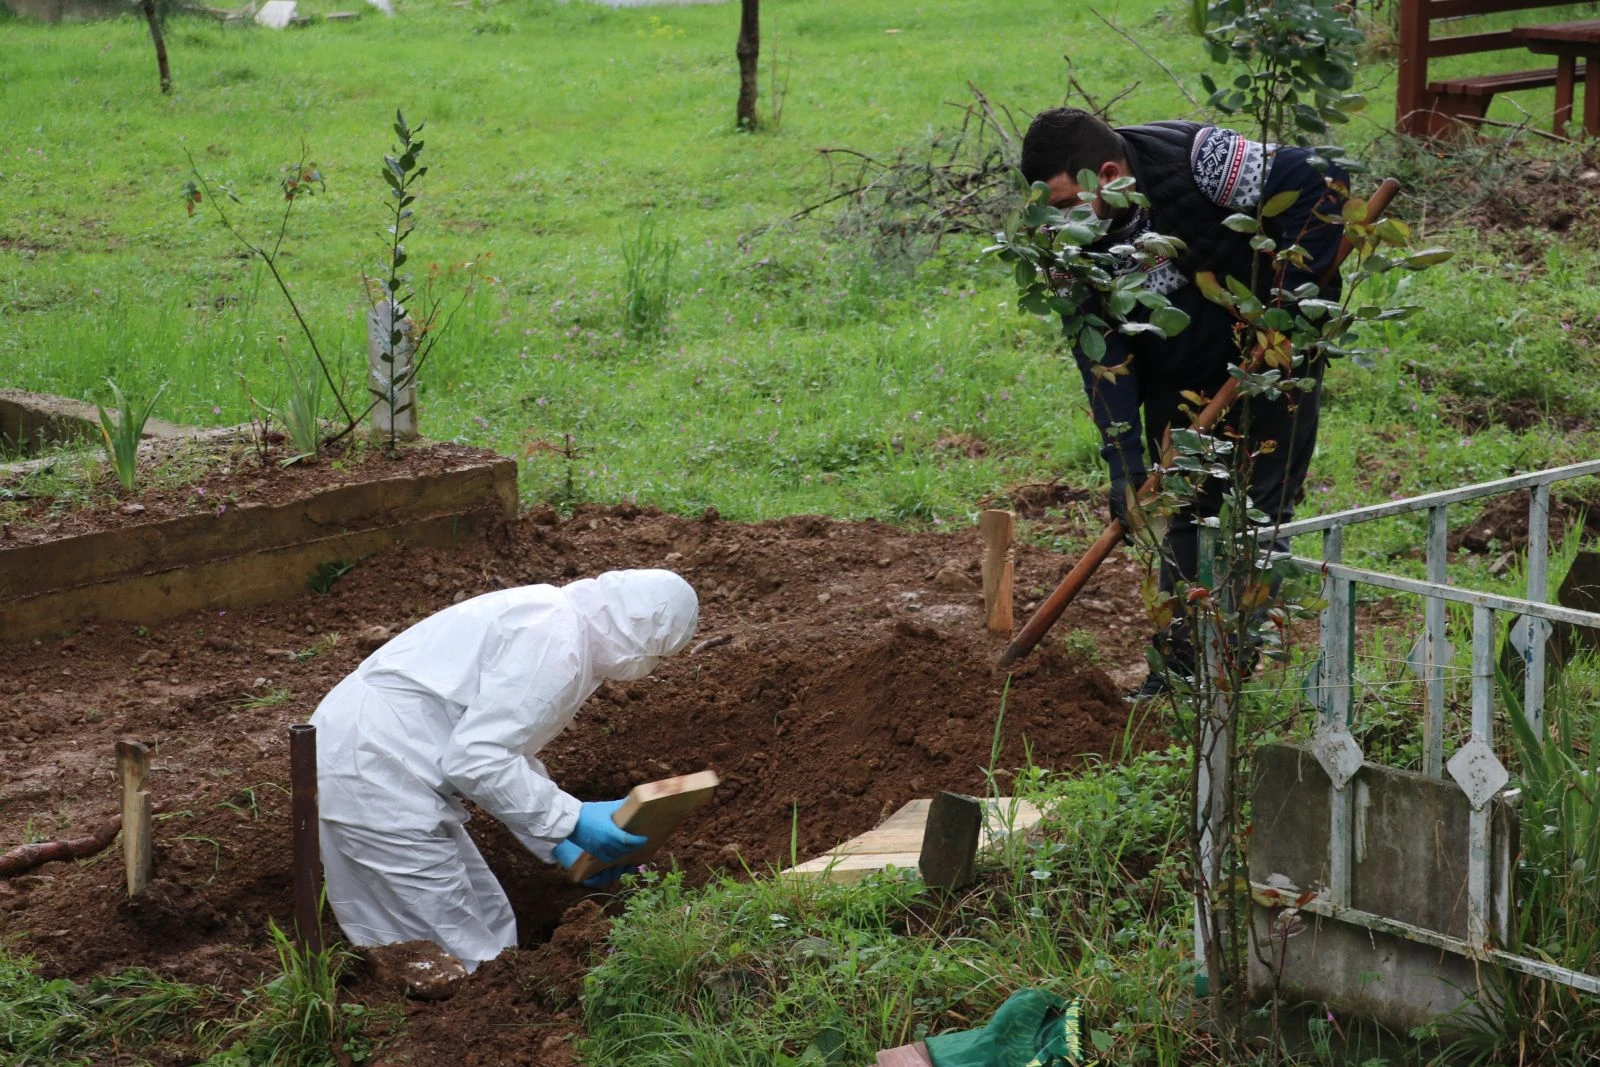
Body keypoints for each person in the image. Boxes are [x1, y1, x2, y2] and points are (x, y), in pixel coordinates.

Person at [1019, 108, 1349, 699]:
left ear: (1112, 174)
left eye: (1068, 203)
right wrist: (1124, 466)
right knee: (1185, 515)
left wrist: (1293, 299)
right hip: (1174, 369)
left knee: (1257, 509)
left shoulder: (1196, 161)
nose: (1057, 222)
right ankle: (1177, 675)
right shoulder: (1065, 247)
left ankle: (1226, 672)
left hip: (1266, 355)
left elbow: (1318, 176)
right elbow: (1103, 356)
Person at [310, 568, 699, 970]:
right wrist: (571, 819)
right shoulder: (556, 641)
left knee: (489, 924)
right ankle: (447, 1024)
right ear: (642, 638)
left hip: (378, 756)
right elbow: (477, 758)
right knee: (463, 957)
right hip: (375, 769)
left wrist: (558, 841)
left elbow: (505, 750)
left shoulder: (556, 619)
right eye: (659, 656)